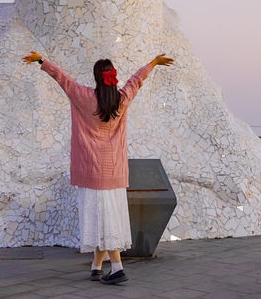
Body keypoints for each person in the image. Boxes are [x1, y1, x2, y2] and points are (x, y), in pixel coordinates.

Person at [22, 49, 174, 284]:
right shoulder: (121, 100)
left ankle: (117, 268)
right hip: (114, 173)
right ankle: (96, 266)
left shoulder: (83, 96)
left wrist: (42, 60)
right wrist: (153, 62)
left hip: (91, 172)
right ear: (112, 77)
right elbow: (136, 80)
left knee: (102, 221)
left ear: (96, 77)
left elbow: (62, 78)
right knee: (106, 218)